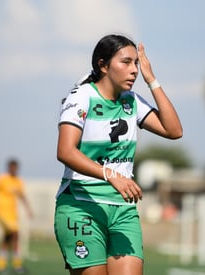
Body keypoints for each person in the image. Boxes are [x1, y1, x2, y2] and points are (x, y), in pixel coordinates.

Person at [54, 34, 183, 275]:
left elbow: (174, 130)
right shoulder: (82, 97)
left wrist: (152, 79)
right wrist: (109, 174)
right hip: (81, 205)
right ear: (103, 65)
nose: (134, 70)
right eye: (126, 62)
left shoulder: (131, 101)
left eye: (136, 63)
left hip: (123, 210)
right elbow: (65, 151)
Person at [0, 158, 33, 274]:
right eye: (12, 167)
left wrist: (28, 210)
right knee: (15, 235)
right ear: (8, 167)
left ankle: (1, 265)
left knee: (7, 239)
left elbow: (22, 196)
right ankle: (17, 265)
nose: (14, 170)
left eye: (15, 168)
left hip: (13, 216)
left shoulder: (18, 181)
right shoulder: (1, 179)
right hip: (1, 214)